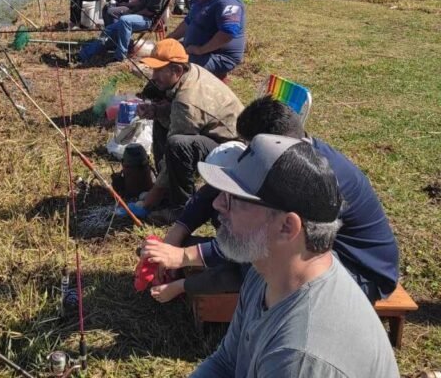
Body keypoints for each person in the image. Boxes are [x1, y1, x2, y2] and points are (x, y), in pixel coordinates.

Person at [141, 96, 400, 304]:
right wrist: (176, 235)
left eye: (251, 147)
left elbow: (264, 236)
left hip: (362, 271)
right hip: (316, 249)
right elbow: (213, 191)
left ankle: (191, 284)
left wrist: (184, 257)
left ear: (276, 143)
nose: (246, 153)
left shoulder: (306, 178)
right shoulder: (289, 156)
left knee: (255, 263)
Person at [188, 133, 400, 377]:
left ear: (287, 227)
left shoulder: (300, 358)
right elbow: (227, 362)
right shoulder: (268, 271)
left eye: (234, 199)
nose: (217, 205)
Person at [120, 39, 243, 222]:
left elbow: (177, 144)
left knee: (178, 145)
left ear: (177, 70)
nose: (153, 76)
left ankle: (180, 209)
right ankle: (166, 190)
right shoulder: (189, 70)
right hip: (213, 135)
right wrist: (156, 111)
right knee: (164, 123)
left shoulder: (187, 101)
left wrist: (147, 203)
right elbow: (175, 113)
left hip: (232, 151)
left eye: (159, 71)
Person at [167, 0, 245, 79]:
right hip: (197, 49)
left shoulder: (227, 1)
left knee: (174, 66)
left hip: (220, 56)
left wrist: (200, 50)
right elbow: (188, 22)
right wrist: (170, 38)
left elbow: (227, 33)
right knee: (166, 53)